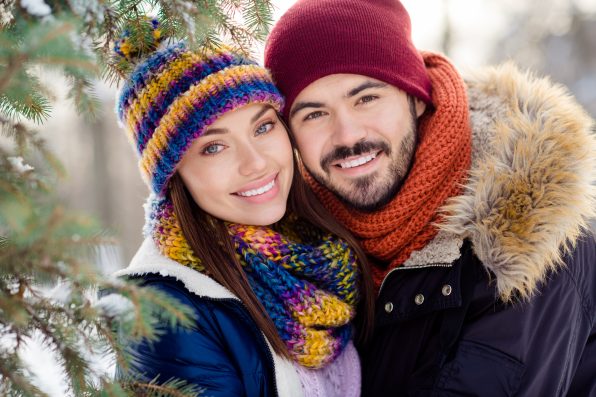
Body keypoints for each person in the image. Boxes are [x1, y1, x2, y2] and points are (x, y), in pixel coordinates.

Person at [264, 0, 596, 395]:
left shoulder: (529, 255)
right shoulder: (299, 251)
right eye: (313, 114)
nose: (348, 136)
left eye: (366, 98)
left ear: (417, 97)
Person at [110, 22, 374, 397]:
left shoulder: (323, 252)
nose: (256, 163)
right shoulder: (163, 315)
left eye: (263, 127)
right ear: (174, 178)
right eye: (214, 147)